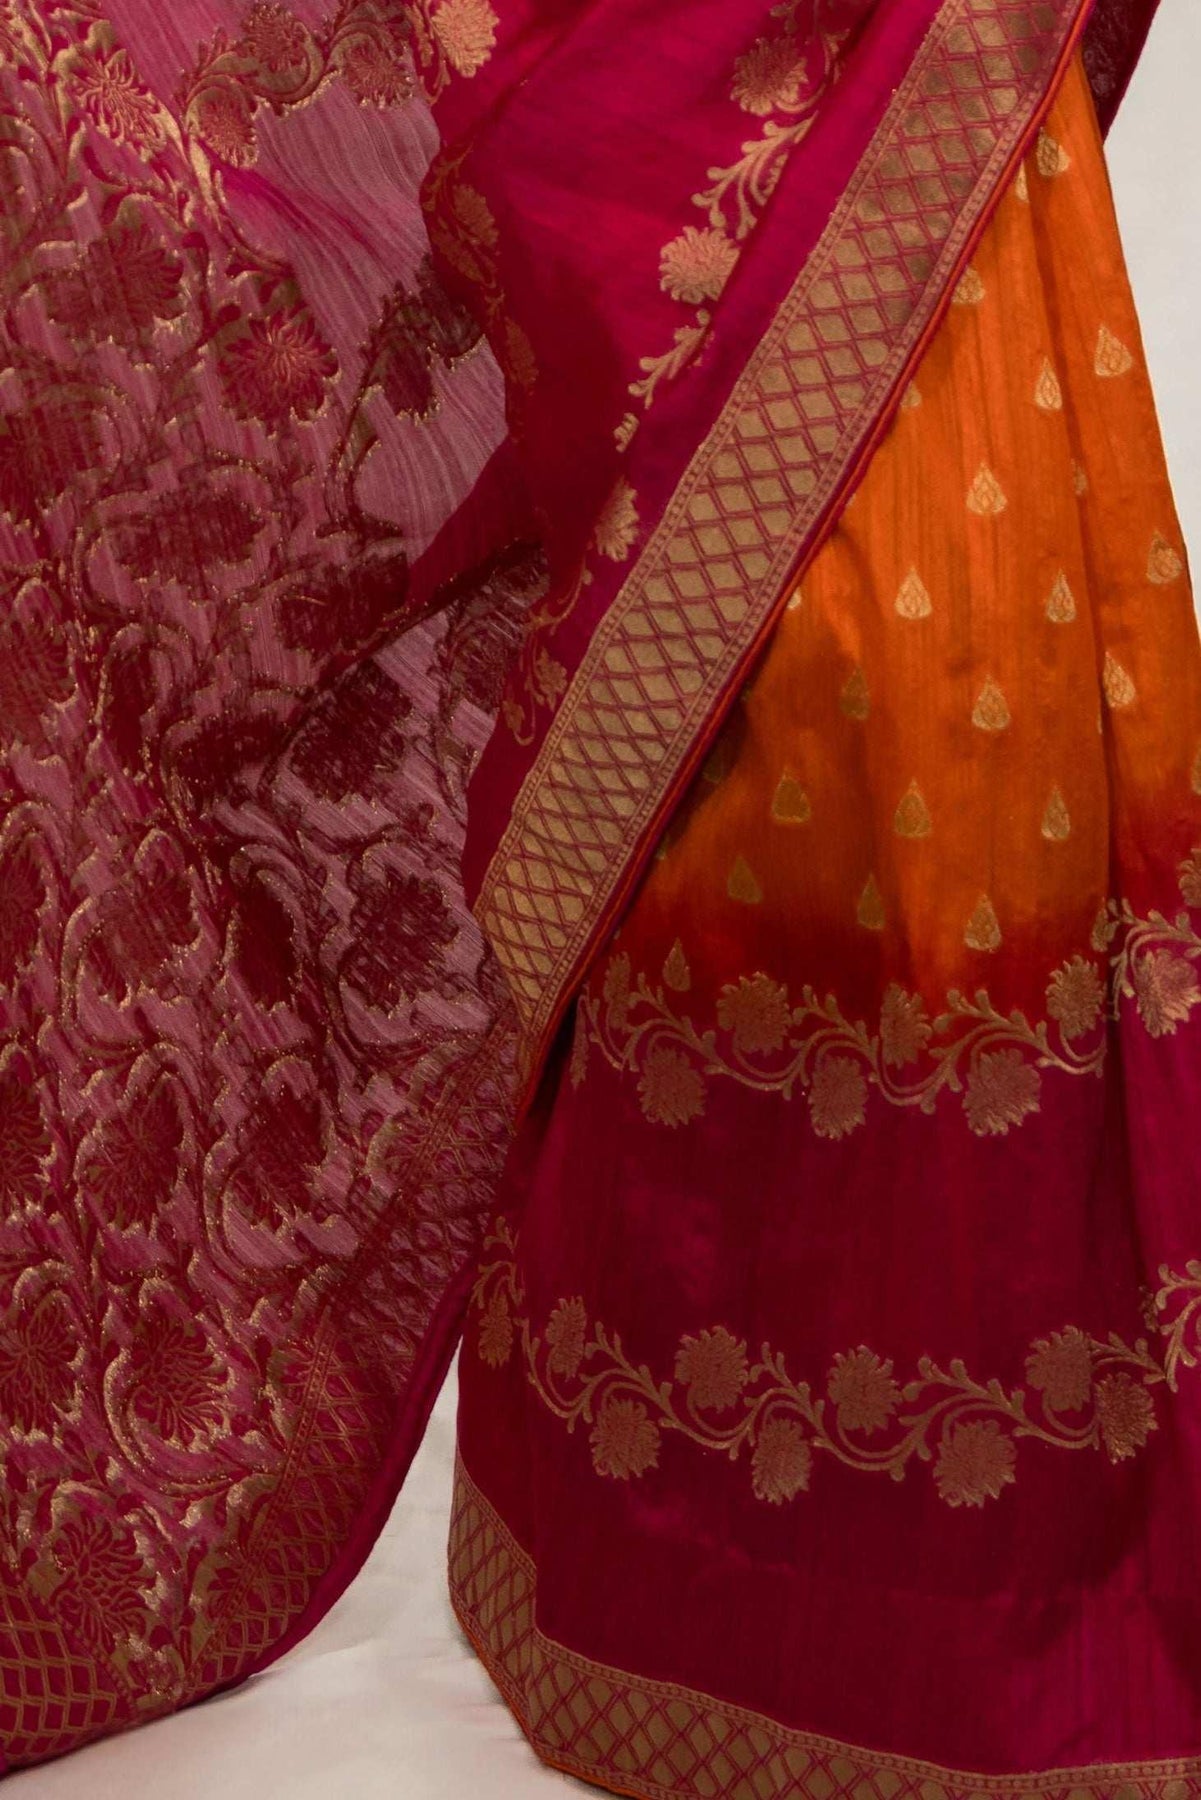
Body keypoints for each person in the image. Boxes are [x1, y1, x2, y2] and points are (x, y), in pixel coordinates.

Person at [0, 1, 1197, 1794]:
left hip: (901, 84)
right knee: (784, 744)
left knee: (946, 730)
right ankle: (700, 1589)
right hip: (694, 86)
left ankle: (952, 1601)